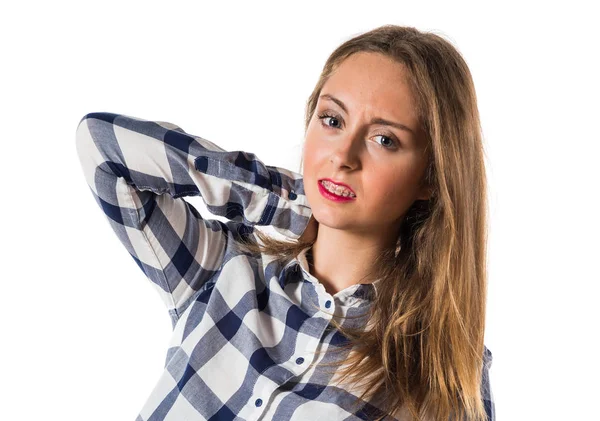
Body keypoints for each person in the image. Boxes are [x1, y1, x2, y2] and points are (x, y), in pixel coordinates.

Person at [75, 24, 494, 421]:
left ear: (432, 177)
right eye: (332, 120)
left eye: (384, 139)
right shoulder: (223, 268)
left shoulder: (444, 370)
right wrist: (290, 204)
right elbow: (102, 148)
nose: (343, 156)